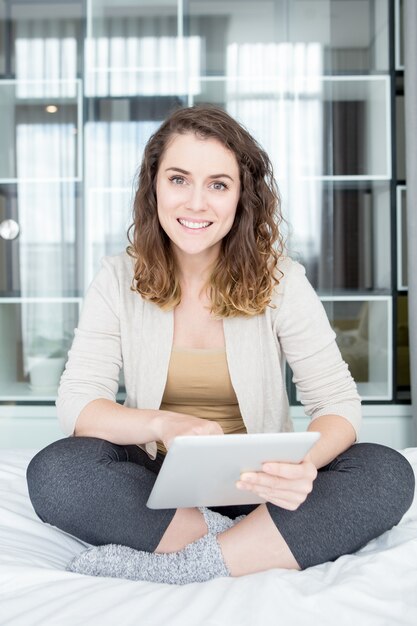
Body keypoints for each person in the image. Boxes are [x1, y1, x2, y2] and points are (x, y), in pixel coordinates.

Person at [26, 104, 415, 585]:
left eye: (217, 184)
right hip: (158, 484)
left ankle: (187, 565)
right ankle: (251, 545)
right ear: (154, 187)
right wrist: (165, 423)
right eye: (178, 179)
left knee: (387, 472)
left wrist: (301, 468)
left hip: (264, 483)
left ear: (240, 198)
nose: (195, 203)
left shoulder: (282, 281)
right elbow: (79, 403)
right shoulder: (117, 277)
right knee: (57, 472)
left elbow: (336, 402)